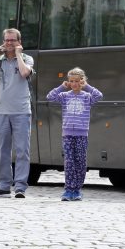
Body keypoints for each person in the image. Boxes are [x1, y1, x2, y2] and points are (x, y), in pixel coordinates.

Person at [0, 28, 35, 198]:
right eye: (6, 40)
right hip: (1, 111)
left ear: (19, 42)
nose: (9, 43)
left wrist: (18, 55)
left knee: (22, 150)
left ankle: (20, 186)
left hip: (21, 111)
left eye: (12, 40)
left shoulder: (26, 59)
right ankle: (3, 186)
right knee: (2, 149)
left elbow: (25, 73)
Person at [46, 68, 102, 201]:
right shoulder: (65, 96)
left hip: (82, 135)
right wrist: (61, 87)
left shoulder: (87, 97)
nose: (74, 83)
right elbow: (50, 97)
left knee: (80, 162)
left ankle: (77, 189)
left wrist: (87, 86)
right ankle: (68, 190)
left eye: (77, 81)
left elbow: (99, 95)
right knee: (69, 162)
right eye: (71, 81)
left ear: (82, 81)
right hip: (67, 134)